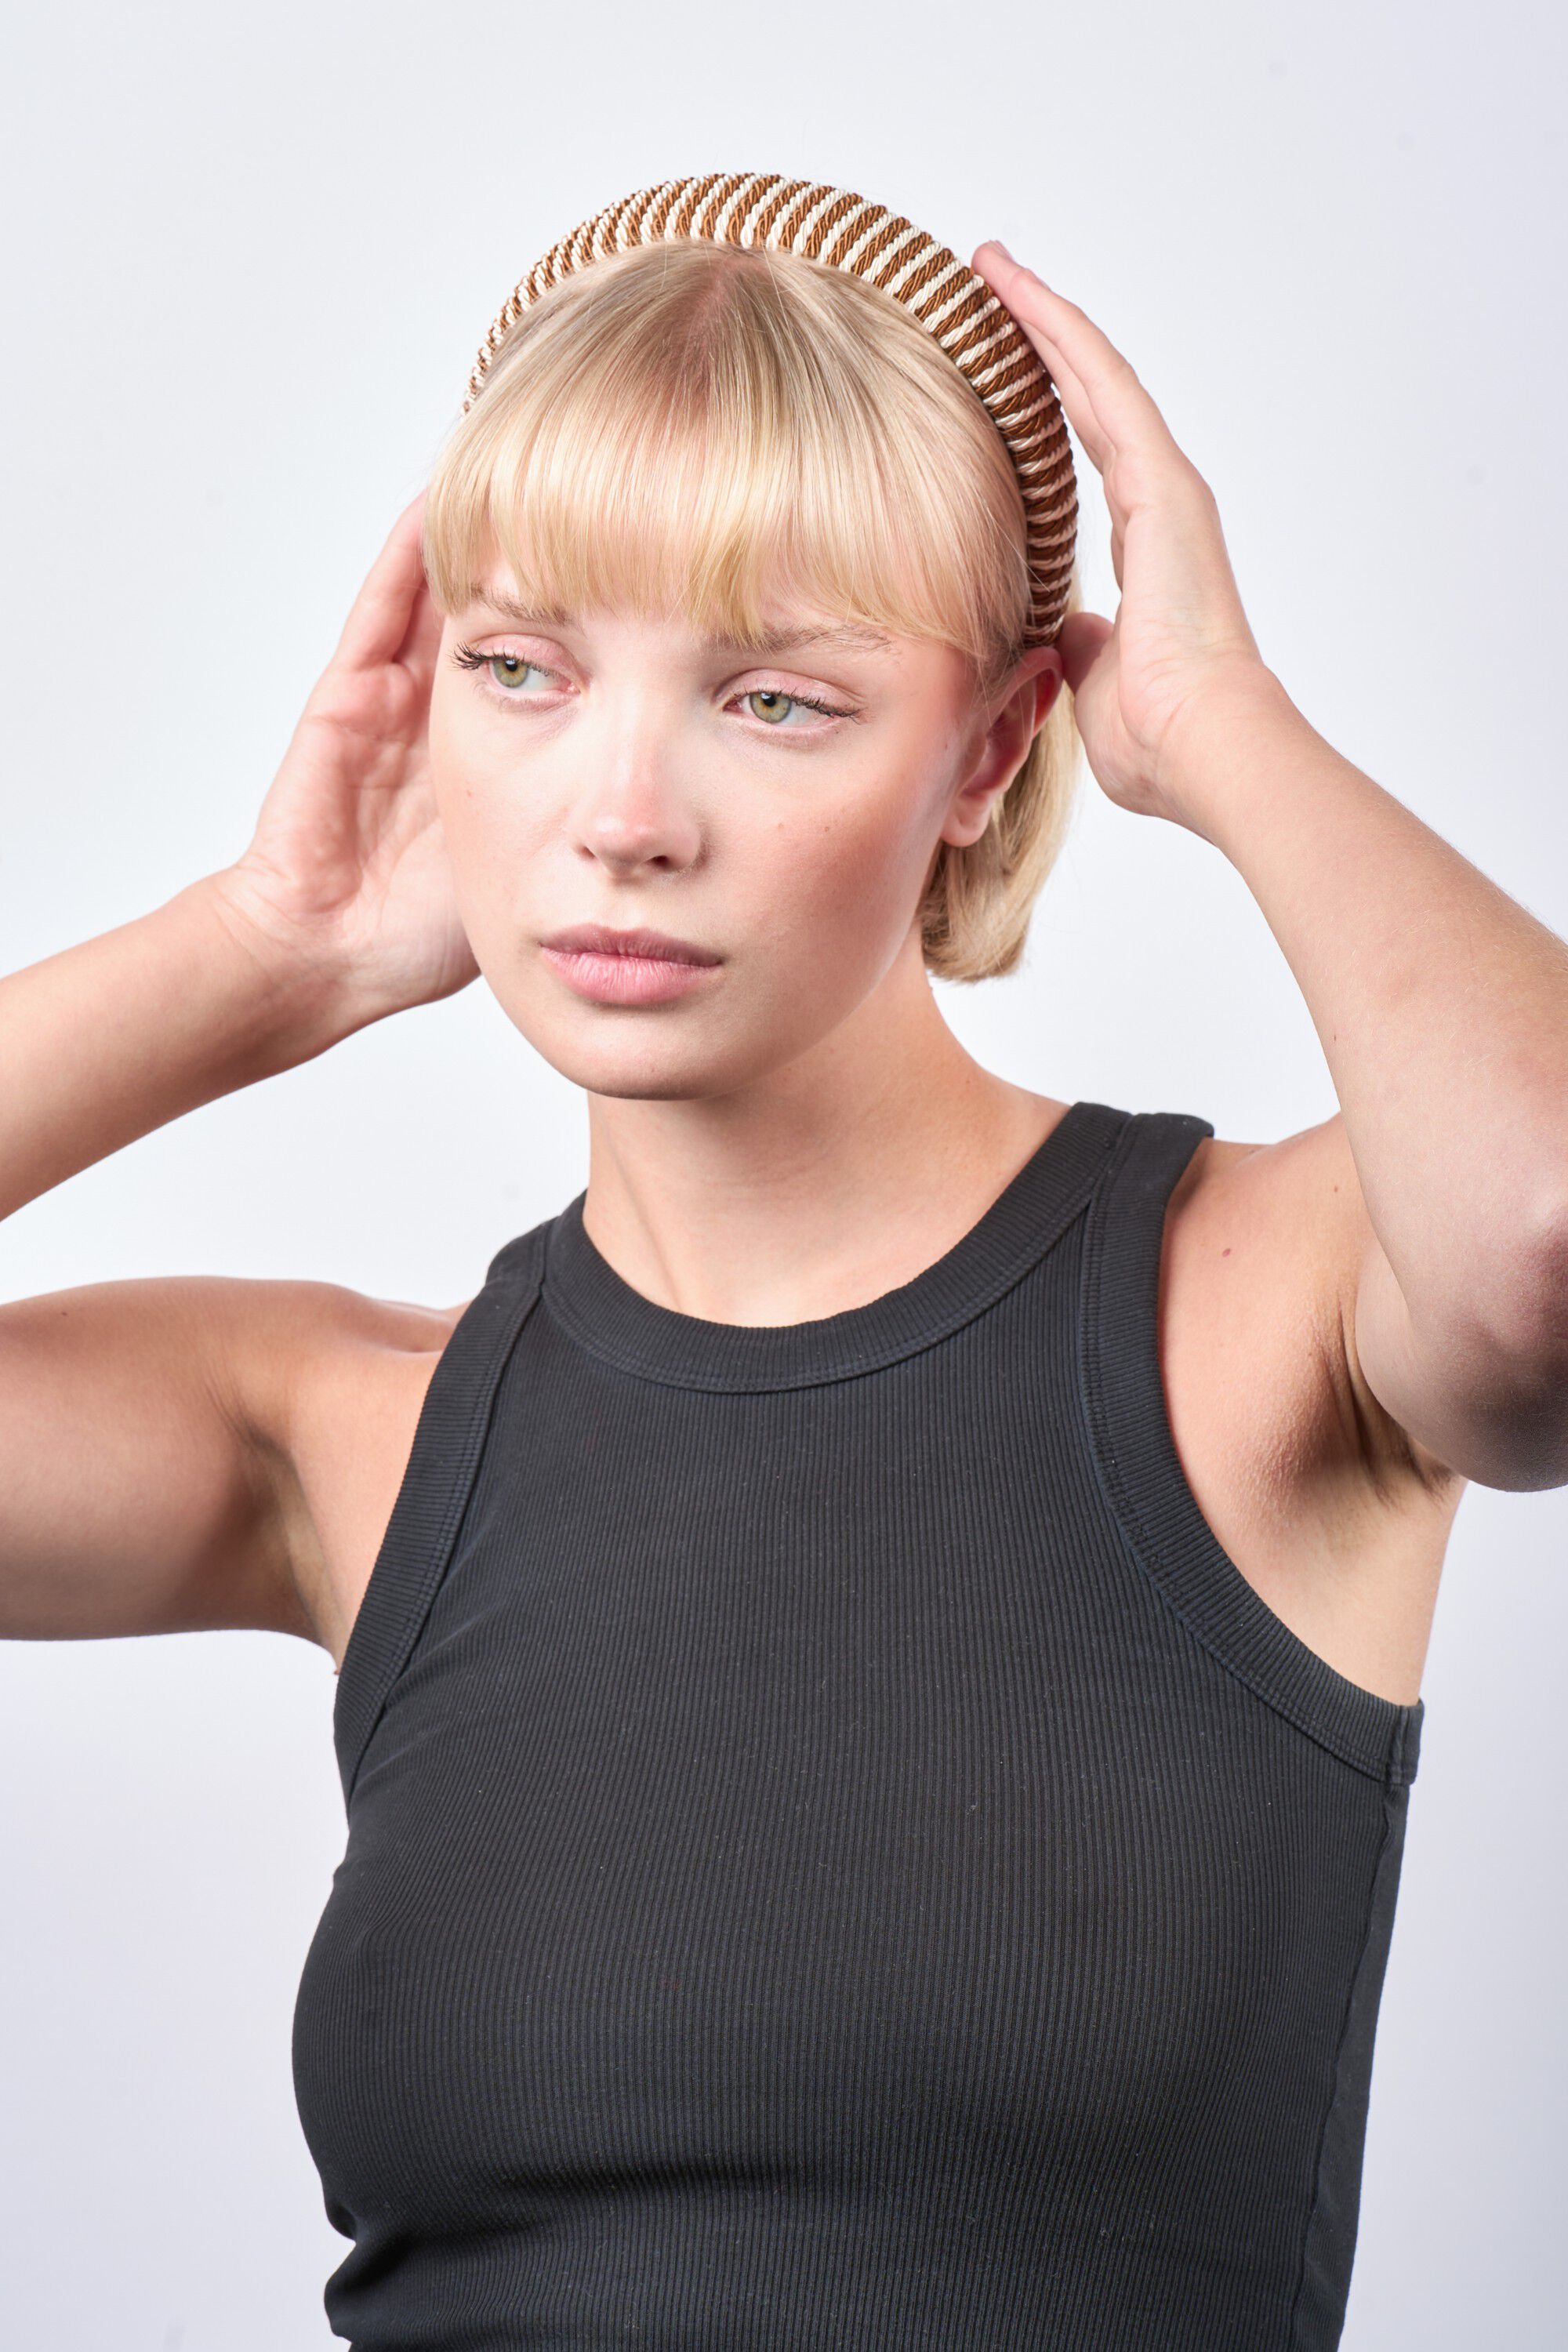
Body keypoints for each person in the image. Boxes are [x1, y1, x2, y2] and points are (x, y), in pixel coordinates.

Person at [4, 189, 1566, 2352]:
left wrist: (1222, 727)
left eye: (776, 699)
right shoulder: (346, 1435)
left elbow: (1545, 1242)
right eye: (525, 670)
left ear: (990, 748)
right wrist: (262, 950)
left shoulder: (1270, 1303)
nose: (623, 812)